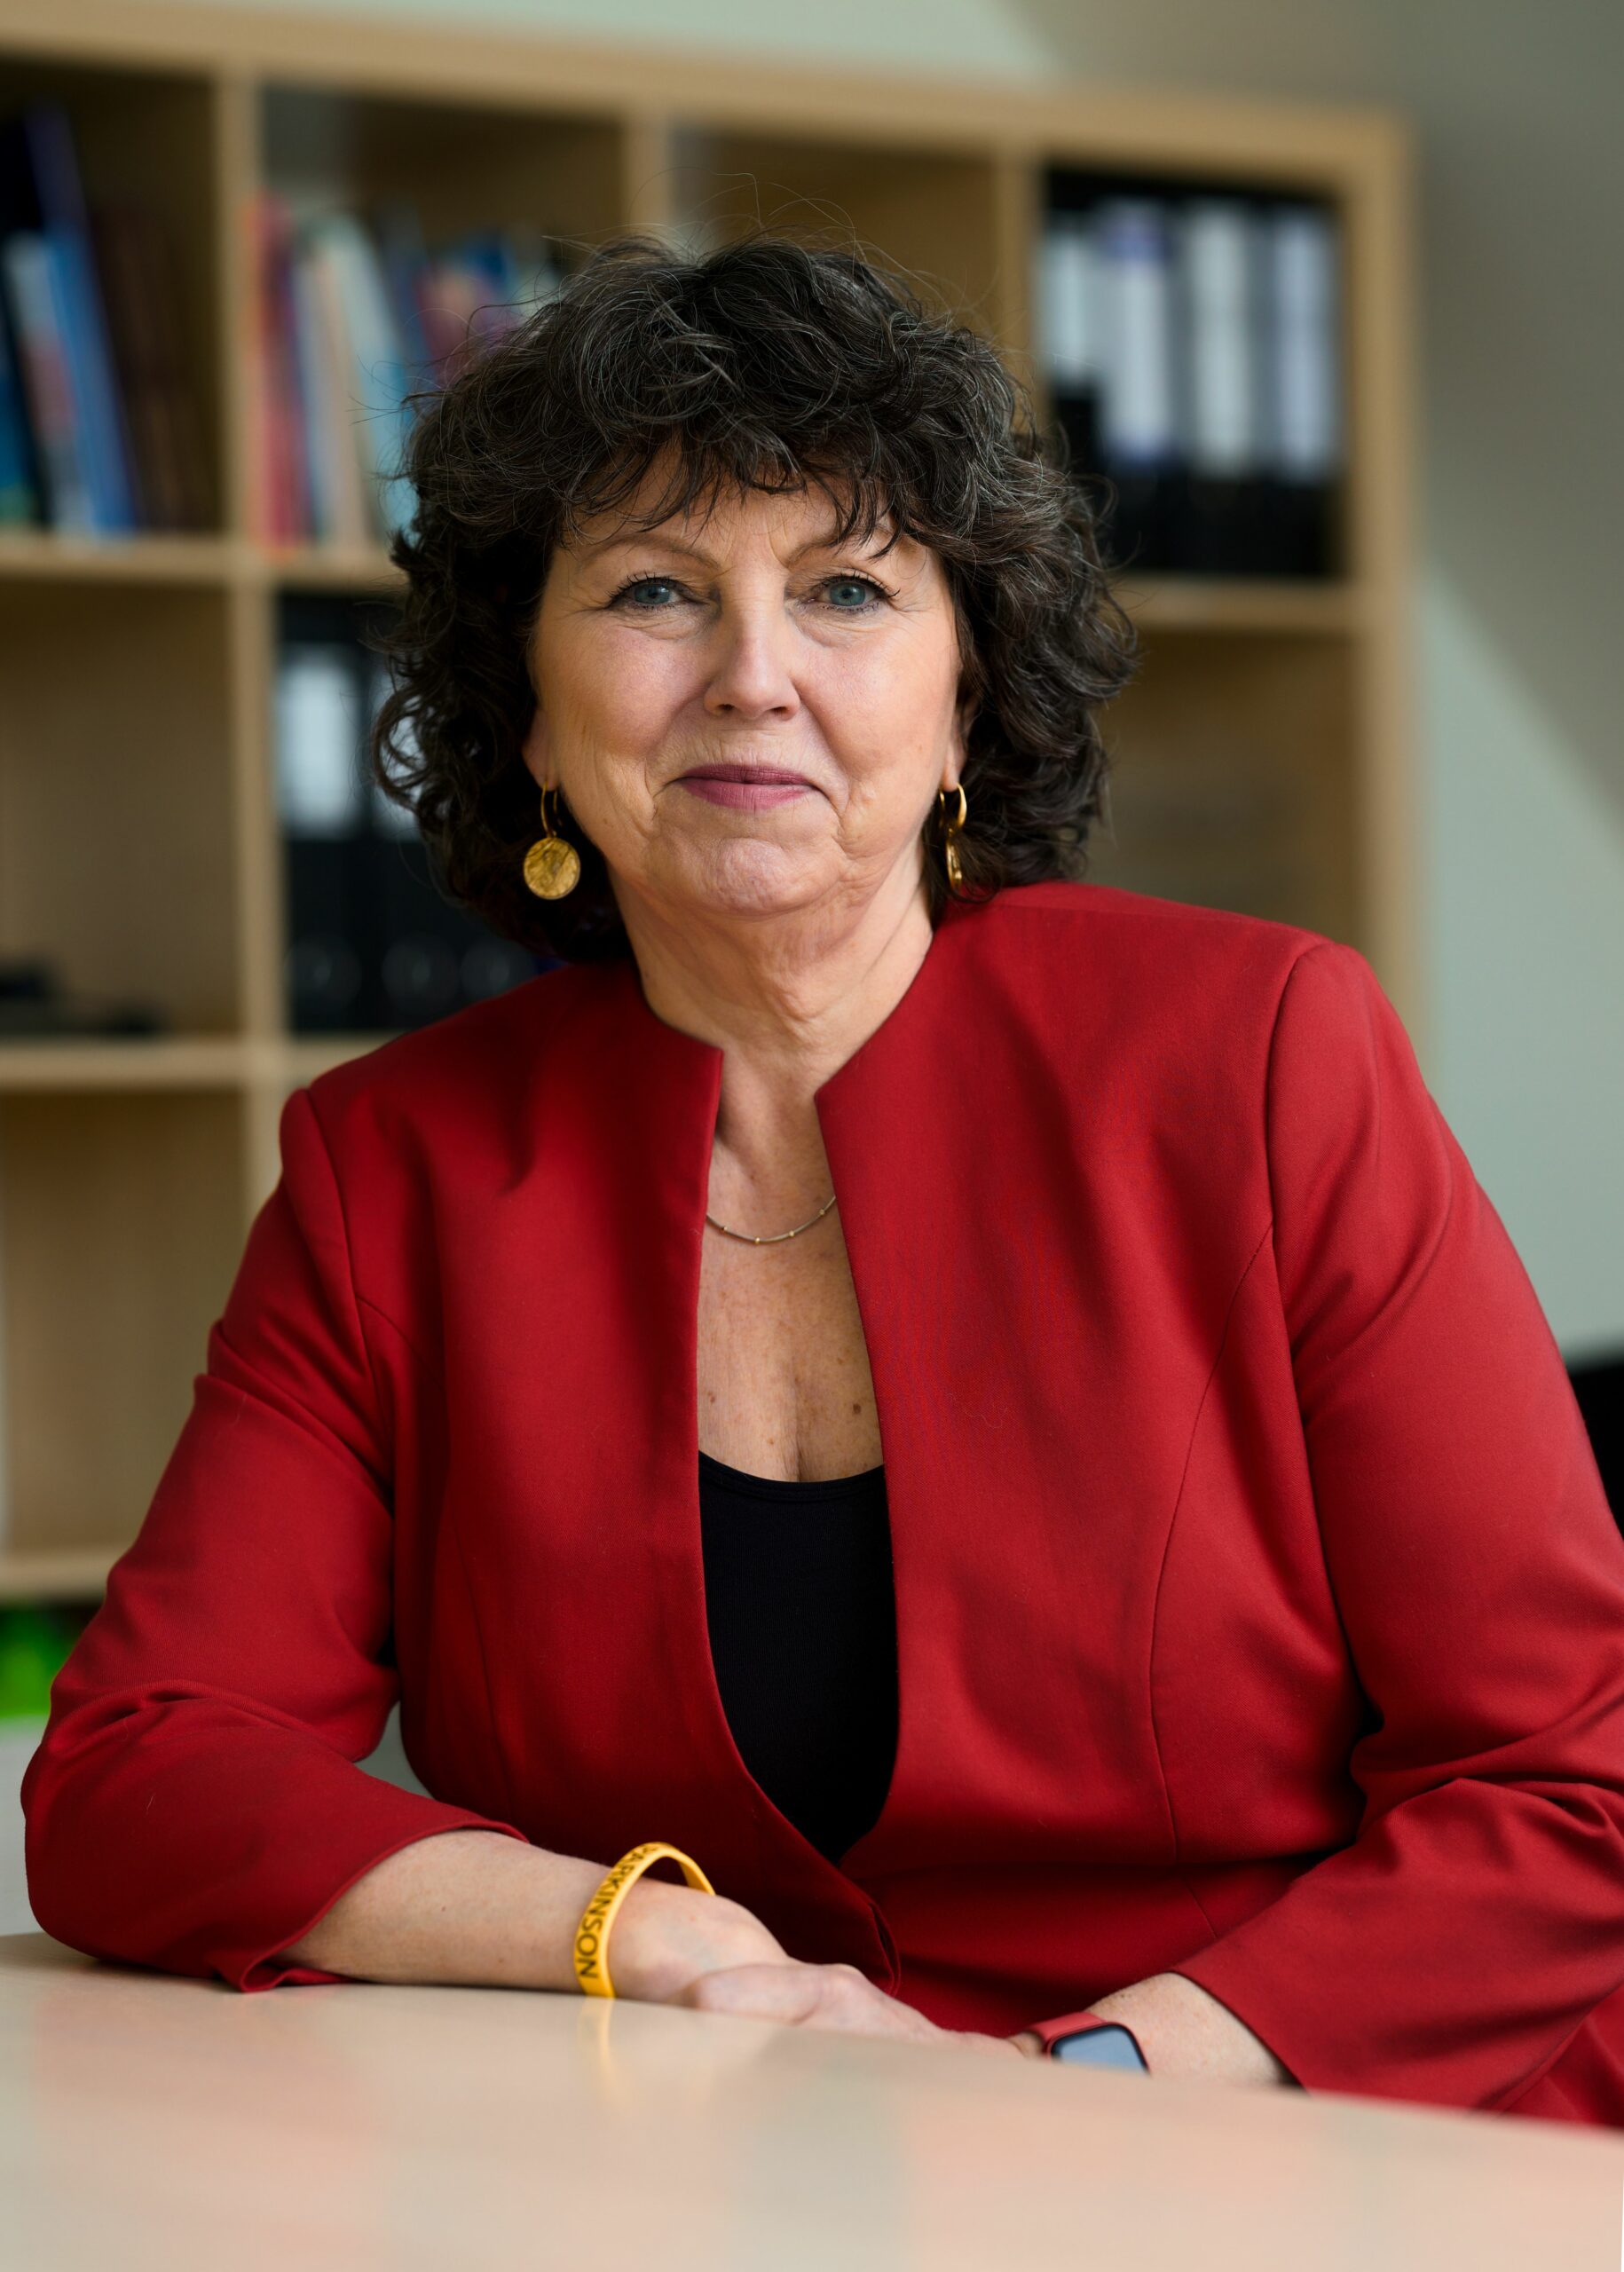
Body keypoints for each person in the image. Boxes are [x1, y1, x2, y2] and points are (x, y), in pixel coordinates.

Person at [21, 234, 1624, 2122]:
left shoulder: (1265, 1055)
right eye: (655, 591)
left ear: (963, 700)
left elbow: (1568, 1777)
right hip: (722, 2168)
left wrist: (1079, 2078)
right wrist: (644, 1937)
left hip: (1300, 2142)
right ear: (529, 711)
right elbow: (137, 1768)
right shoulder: (394, 1165)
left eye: (847, 589)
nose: (753, 677)